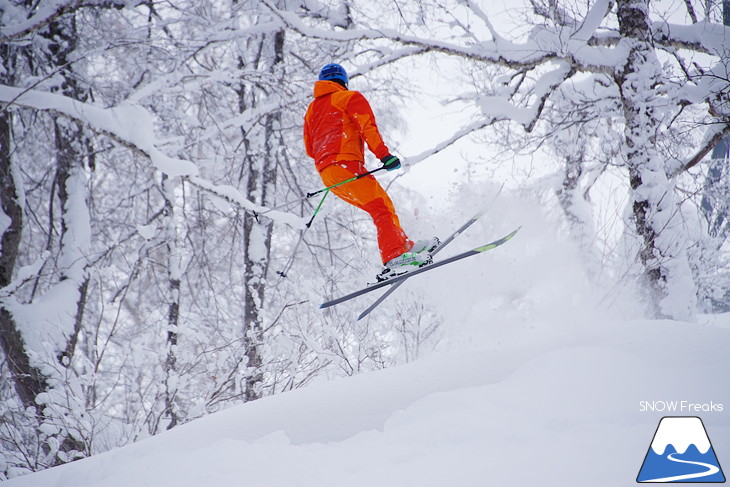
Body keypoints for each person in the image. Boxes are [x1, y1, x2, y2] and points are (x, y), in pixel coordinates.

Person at [303, 63, 438, 276]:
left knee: (381, 205)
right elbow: (368, 128)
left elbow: (310, 149)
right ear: (344, 82)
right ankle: (394, 256)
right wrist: (384, 155)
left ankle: (404, 246)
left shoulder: (311, 111)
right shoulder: (348, 98)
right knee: (381, 208)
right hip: (346, 167)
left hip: (328, 175)